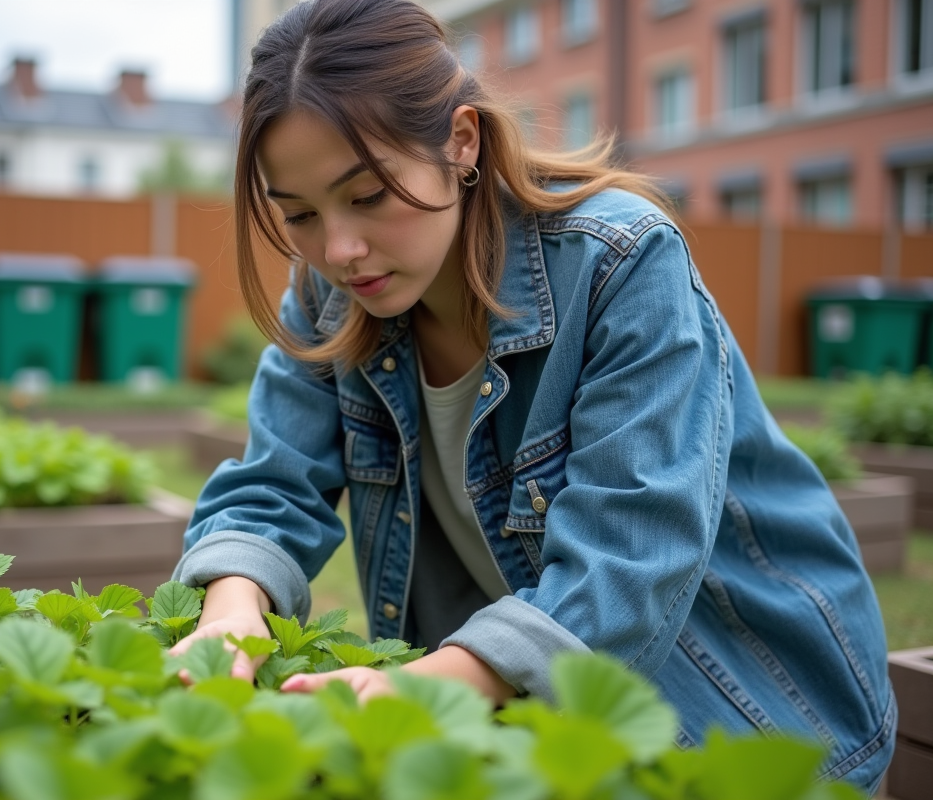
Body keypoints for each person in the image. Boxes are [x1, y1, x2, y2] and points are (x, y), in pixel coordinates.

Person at [170, 0, 895, 791]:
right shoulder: (328, 295)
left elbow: (632, 552)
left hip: (743, 710)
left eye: (369, 195)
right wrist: (231, 616)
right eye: (300, 214)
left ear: (461, 140)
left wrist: (429, 685)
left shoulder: (618, 262)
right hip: (521, 708)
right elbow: (274, 484)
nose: (338, 249)